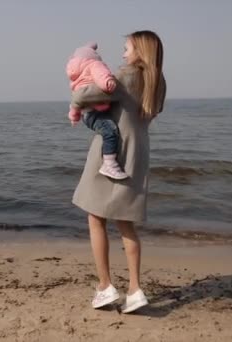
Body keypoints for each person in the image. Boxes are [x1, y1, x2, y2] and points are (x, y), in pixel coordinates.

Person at [71, 30, 166, 313]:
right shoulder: (158, 81)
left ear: (140, 50)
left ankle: (105, 286)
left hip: (111, 152)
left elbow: (91, 93)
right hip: (138, 154)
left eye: (127, 47)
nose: (123, 53)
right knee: (126, 223)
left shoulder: (126, 76)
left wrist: (76, 93)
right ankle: (135, 290)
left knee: (95, 217)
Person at [66, 42, 127, 180]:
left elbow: (76, 100)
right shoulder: (94, 64)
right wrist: (108, 82)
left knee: (106, 131)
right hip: (95, 110)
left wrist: (74, 116)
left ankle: (108, 162)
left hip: (86, 113)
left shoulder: (77, 75)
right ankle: (109, 164)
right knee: (110, 132)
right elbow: (101, 75)